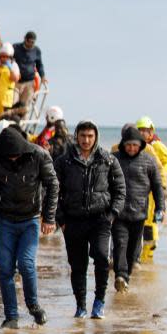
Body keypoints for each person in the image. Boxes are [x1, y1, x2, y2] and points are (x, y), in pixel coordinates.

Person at [0, 126, 59, 329]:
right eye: (9, 156)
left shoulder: (39, 155)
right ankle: (11, 317)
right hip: (4, 219)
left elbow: (53, 184)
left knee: (26, 264)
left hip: (30, 219)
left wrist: (49, 218)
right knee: (5, 269)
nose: (13, 159)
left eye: (16, 155)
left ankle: (33, 305)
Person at [54, 120, 125, 320]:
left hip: (100, 219)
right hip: (72, 220)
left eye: (90, 136)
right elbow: (52, 190)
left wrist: (112, 215)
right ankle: (80, 305)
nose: (86, 140)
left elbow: (120, 190)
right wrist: (60, 218)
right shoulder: (64, 161)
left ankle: (99, 302)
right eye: (83, 136)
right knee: (78, 265)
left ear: (96, 137)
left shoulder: (107, 159)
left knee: (102, 258)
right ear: (76, 136)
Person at [112, 125, 165, 292]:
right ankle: (120, 275)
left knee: (134, 249)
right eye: (128, 145)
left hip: (140, 213)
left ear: (141, 145)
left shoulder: (149, 161)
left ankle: (125, 277)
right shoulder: (114, 159)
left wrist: (160, 208)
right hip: (118, 212)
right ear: (123, 144)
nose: (132, 148)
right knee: (120, 243)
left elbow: (157, 186)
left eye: (135, 145)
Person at [135, 116, 167, 262]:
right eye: (139, 130)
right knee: (142, 221)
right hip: (142, 189)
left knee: (150, 222)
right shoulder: (139, 146)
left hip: (153, 189)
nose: (142, 134)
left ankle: (147, 254)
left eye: (145, 131)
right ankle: (142, 255)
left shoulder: (157, 146)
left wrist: (159, 174)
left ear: (151, 131)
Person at [11, 32, 46, 121]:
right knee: (13, 103)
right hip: (15, 82)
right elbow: (9, 60)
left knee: (25, 106)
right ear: (25, 39)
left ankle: (22, 128)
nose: (30, 44)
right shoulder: (15, 47)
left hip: (29, 83)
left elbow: (39, 65)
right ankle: (11, 123)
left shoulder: (37, 51)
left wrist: (43, 76)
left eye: (32, 42)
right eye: (29, 41)